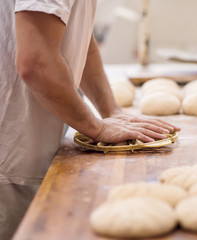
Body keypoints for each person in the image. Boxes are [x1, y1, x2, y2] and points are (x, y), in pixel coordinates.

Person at [0, 1, 180, 239]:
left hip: (28, 148)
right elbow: (37, 62)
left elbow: (79, 38)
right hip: (11, 158)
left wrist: (111, 111)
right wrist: (97, 127)